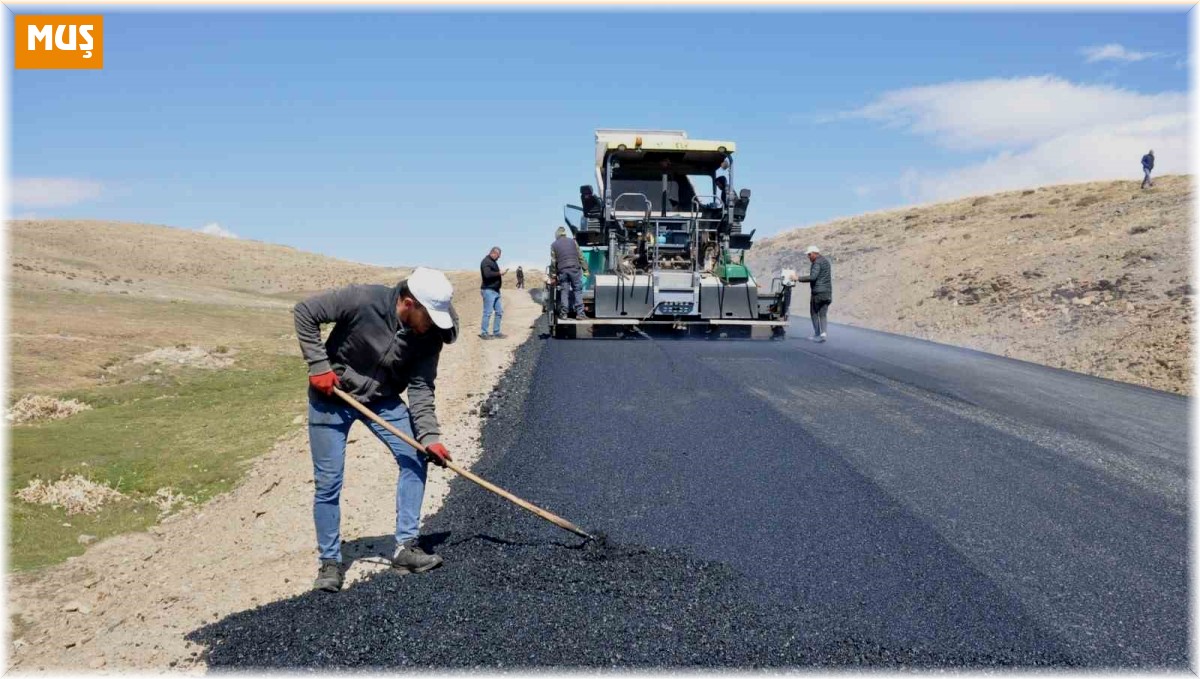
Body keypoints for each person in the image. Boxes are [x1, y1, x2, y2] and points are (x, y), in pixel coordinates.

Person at [293, 267, 459, 593]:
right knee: (329, 481)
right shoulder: (363, 300)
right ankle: (329, 563)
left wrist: (430, 438)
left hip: (381, 399)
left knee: (415, 456)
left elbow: (421, 389)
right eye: (429, 316)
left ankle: (405, 548)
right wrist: (318, 365)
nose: (431, 326)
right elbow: (305, 312)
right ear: (409, 303)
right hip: (332, 395)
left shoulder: (428, 337)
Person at [791, 245, 832, 342]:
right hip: (827, 292)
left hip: (818, 293)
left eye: (809, 254)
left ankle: (817, 333)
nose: (808, 257)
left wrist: (798, 278)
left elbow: (813, 277)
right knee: (823, 313)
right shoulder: (826, 262)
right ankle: (824, 333)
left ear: (814, 254)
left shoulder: (816, 263)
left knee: (813, 313)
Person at [551, 226, 589, 320]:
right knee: (577, 290)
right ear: (564, 234)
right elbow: (581, 256)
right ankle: (580, 314)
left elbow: (553, 261)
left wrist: (553, 275)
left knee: (564, 292)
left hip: (563, 270)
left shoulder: (554, 245)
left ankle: (564, 314)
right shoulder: (573, 242)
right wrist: (586, 269)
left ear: (557, 235)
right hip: (574, 269)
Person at [480, 246, 508, 339]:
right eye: (498, 256)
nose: (499, 257)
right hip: (488, 290)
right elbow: (487, 275)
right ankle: (484, 333)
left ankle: (496, 332)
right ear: (493, 253)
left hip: (495, 291)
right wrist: (499, 273)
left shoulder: (493, 262)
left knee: (499, 311)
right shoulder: (486, 262)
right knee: (487, 312)